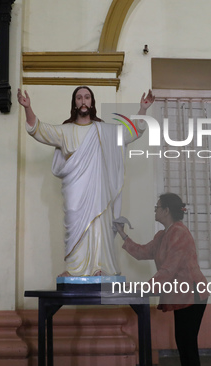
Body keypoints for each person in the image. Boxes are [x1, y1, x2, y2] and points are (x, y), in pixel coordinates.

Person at [17, 86, 154, 277]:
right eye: (79, 97)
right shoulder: (66, 131)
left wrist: (143, 109)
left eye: (87, 97)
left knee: (99, 224)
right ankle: (74, 270)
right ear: (75, 103)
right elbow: (40, 130)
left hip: (99, 190)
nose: (83, 101)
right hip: (74, 190)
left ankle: (100, 267)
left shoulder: (105, 131)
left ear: (92, 102)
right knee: (74, 223)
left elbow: (131, 131)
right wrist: (27, 108)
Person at [115, 193, 210, 366]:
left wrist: (144, 289)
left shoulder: (180, 234)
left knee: (187, 342)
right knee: (182, 340)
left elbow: (169, 269)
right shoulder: (162, 235)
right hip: (181, 294)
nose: (155, 210)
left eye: (157, 207)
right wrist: (122, 234)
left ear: (167, 210)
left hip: (193, 293)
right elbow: (141, 252)